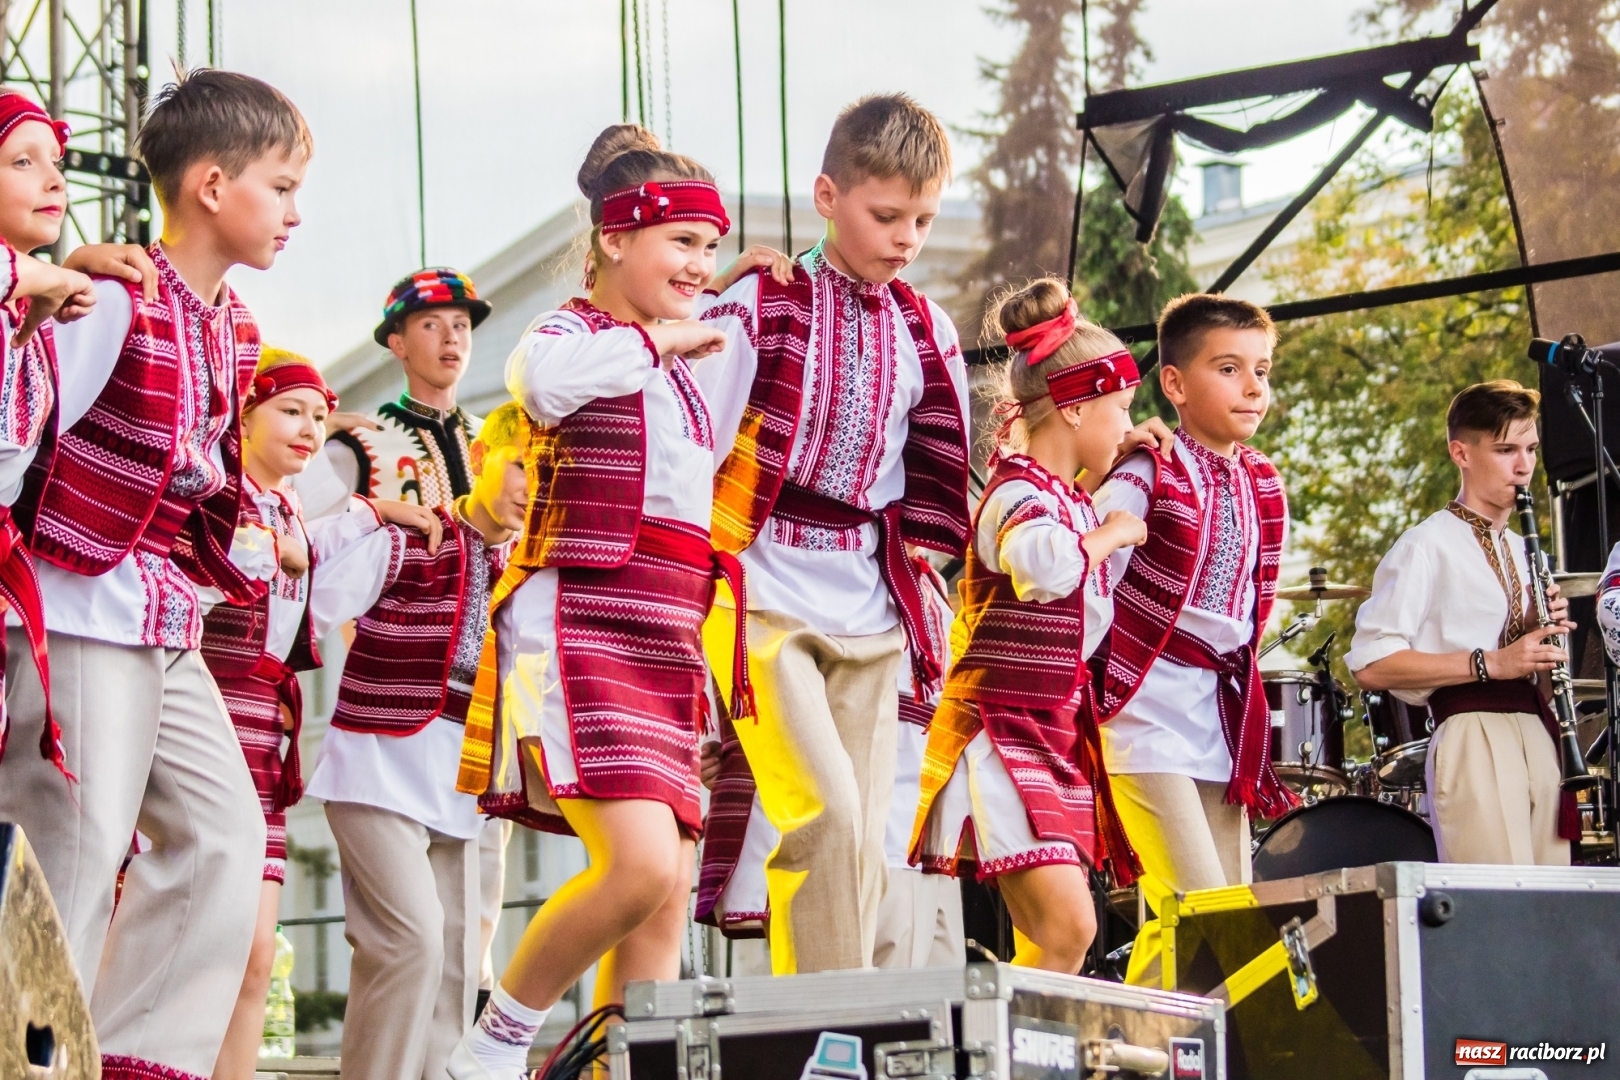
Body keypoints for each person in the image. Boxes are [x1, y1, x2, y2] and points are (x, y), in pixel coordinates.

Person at [0, 69, 311, 1080]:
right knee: (75, 852)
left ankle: (133, 1060)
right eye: (281, 187)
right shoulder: (109, 300)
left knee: (225, 839)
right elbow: (22, 450)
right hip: (79, 603)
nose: (294, 213)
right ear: (213, 186)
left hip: (161, 615)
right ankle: (32, 1060)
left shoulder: (232, 326)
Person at [450, 125, 751, 1080]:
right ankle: (492, 1047)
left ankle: (618, 1070)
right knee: (640, 865)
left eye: (710, 246)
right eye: (682, 241)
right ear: (614, 239)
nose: (699, 264)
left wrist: (736, 302)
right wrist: (660, 340)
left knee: (663, 892)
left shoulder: (687, 370)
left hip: (666, 627)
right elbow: (539, 385)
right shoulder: (571, 336)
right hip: (579, 619)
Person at [693, 92, 971, 975]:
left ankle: (846, 1018)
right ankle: (828, 1025)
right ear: (826, 195)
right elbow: (692, 446)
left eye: (922, 220)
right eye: (886, 216)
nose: (907, 239)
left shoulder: (928, 329)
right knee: (824, 814)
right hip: (761, 588)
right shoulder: (759, 302)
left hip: (872, 600)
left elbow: (938, 470)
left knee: (868, 836)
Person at [200, 349, 439, 1080]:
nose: (309, 429)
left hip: (265, 728)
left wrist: (377, 509)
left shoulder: (288, 508)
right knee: (195, 934)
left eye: (317, 415)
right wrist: (275, 548)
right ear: (243, 414)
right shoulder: (215, 490)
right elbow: (222, 555)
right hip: (203, 711)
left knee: (256, 955)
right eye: (291, 411)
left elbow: (312, 543)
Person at [293, 265, 515, 1007]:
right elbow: (310, 532)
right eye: (431, 324)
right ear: (396, 341)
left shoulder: (492, 440)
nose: (452, 338)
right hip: (395, 684)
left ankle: (456, 1043)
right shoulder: (367, 439)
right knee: (409, 921)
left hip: (484, 697)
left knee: (475, 912)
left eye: (461, 325)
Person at [912, 279, 1146, 972]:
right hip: (1003, 732)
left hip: (1049, 729)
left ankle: (1010, 1035)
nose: (1128, 426)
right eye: (1121, 409)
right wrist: (1113, 533)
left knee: (1052, 940)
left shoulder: (1068, 500)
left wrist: (1123, 481)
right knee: (1068, 930)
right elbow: (1042, 568)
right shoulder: (1017, 490)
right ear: (1073, 407)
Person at [302, 400, 526, 1080]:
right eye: (523, 466)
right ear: (481, 457)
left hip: (466, 786)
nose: (533, 488)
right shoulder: (411, 537)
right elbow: (308, 604)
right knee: (410, 944)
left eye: (550, 476)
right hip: (377, 765)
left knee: (458, 965)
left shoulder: (527, 573)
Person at [1091, 293, 1294, 903]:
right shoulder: (1145, 472)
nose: (1253, 387)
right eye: (1229, 368)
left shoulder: (1263, 481)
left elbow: (1250, 609)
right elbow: (1085, 581)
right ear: (1174, 384)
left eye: (1262, 370)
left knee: (1223, 915)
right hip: (1143, 711)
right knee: (1202, 908)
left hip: (1219, 714)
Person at [1350, 380, 1577, 865]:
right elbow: (1371, 665)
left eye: (1531, 450)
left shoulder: (1528, 551)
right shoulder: (1425, 545)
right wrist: (1490, 662)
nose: (1524, 466)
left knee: (1553, 899)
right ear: (1461, 453)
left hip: (1538, 736)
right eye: (1506, 450)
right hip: (1472, 734)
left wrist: (1534, 633)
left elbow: (1537, 681)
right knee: (1497, 900)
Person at [0, 91, 100, 778]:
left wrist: (51, 292)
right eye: (23, 162)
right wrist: (52, 274)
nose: (54, 180)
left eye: (57, 164)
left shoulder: (29, 318)